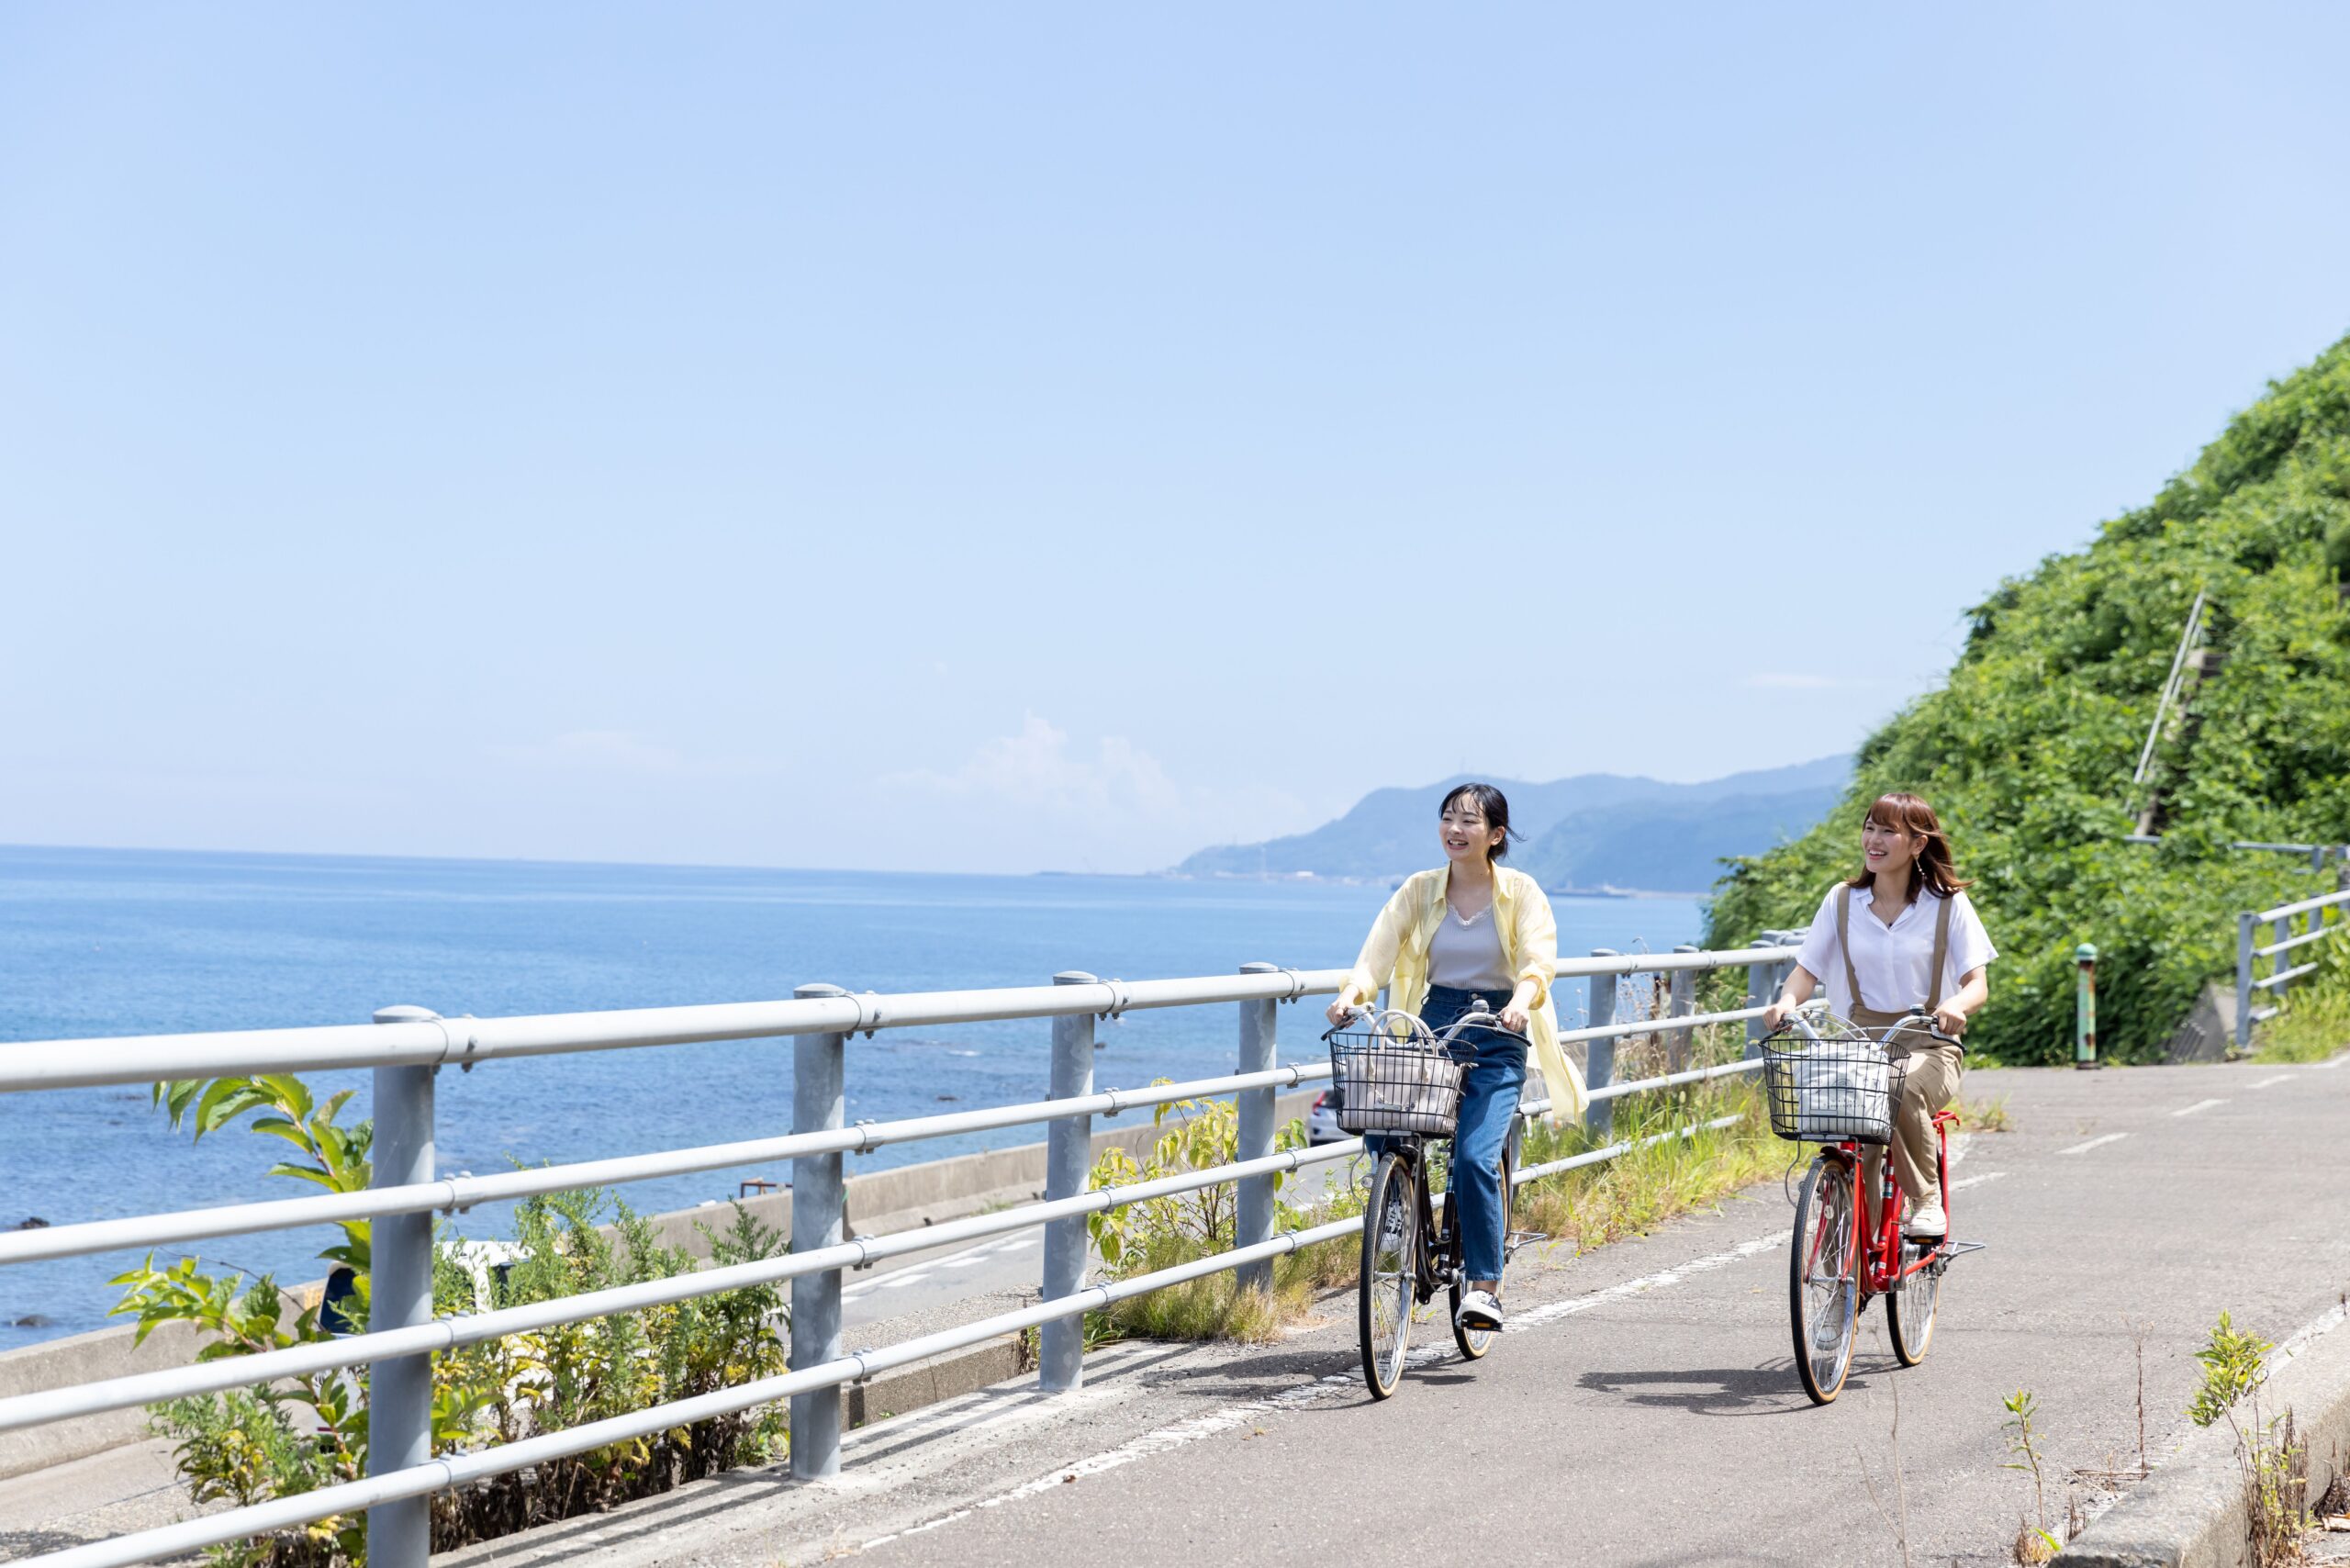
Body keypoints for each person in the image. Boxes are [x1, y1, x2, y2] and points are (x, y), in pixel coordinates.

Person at [1325, 782, 1586, 1331]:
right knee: (1385, 1112)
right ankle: (1397, 1208)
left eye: (1470, 821)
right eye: (1448, 818)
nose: (1455, 829)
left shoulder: (1521, 892)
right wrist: (1352, 994)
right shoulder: (1420, 890)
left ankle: (1485, 1286)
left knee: (1472, 1159)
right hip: (1436, 1023)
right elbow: (1378, 951)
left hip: (1498, 1029)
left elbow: (1538, 962)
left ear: (1495, 836)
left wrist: (1519, 1002)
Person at [1762, 790, 1996, 1238]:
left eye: (1889, 831)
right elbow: (1805, 972)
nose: (1875, 839)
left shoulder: (1948, 905)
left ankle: (1926, 1201)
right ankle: (1848, 1257)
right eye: (1870, 827)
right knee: (1848, 1134)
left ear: (1917, 844)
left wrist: (1955, 1005)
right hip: (1857, 1043)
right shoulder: (1842, 901)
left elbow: (1977, 984)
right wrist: (1787, 1001)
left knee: (1901, 1088)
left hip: (1929, 1043)